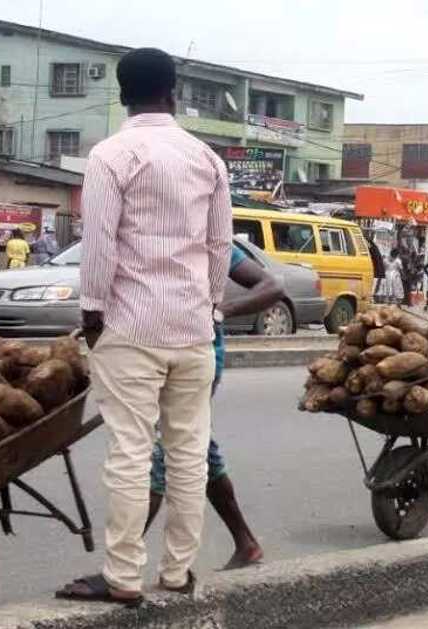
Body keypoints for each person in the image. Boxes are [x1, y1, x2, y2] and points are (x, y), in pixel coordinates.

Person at [57, 47, 232, 606]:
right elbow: (220, 245)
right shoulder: (207, 158)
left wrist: (91, 313)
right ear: (174, 90)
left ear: (122, 94)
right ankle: (178, 573)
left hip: (130, 327)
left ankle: (123, 576)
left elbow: (99, 244)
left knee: (131, 452)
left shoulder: (112, 155)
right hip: (193, 330)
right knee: (188, 452)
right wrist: (209, 307)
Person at [145, 244, 279, 569]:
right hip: (156, 352)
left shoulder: (211, 243)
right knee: (198, 445)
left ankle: (119, 563)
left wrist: (223, 310)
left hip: (198, 357)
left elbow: (272, 287)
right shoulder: (149, 235)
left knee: (165, 450)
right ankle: (246, 543)